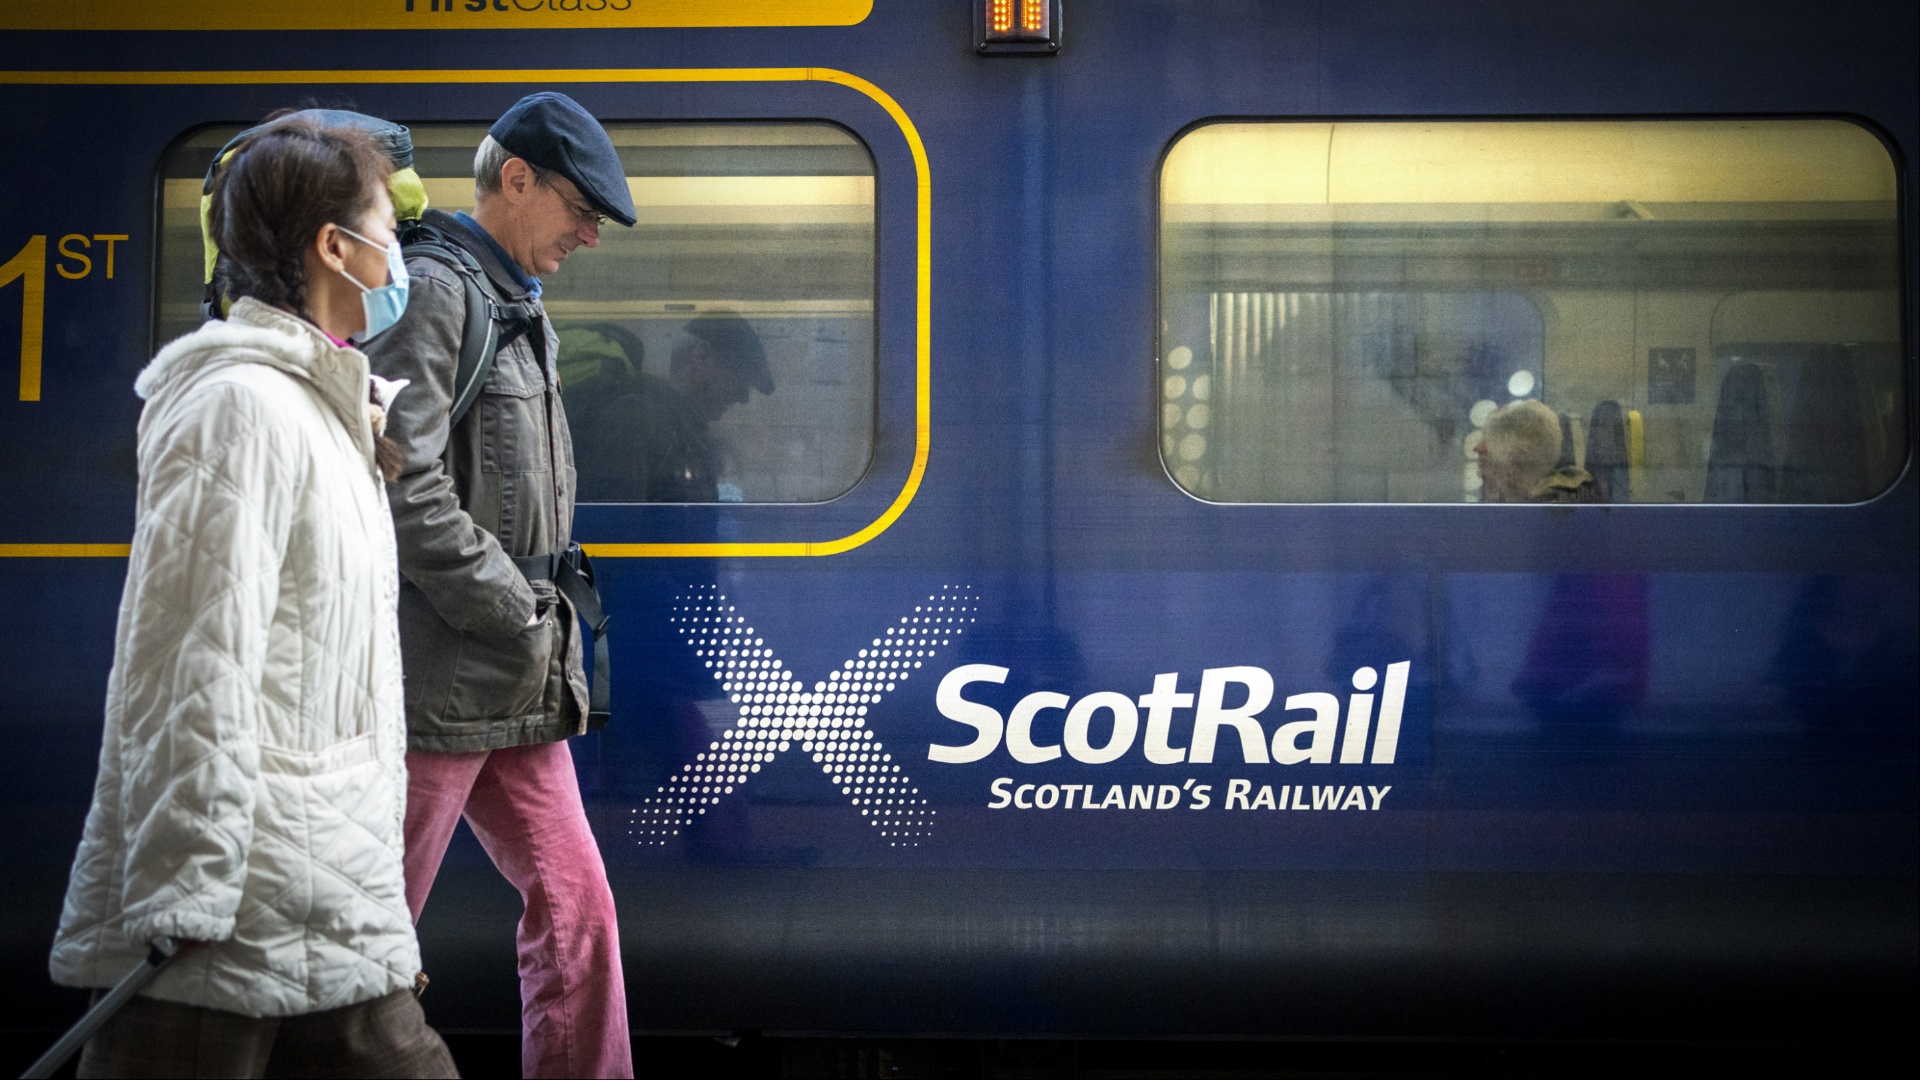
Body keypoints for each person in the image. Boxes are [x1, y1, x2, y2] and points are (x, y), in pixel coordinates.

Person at [48, 113, 455, 1078]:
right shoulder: (240, 406)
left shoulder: (322, 410)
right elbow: (189, 659)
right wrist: (181, 893)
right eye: (388, 233)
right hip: (235, 904)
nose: (401, 258)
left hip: (324, 882)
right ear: (333, 248)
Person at [360, 92, 636, 1079]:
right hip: (442, 679)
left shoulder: (512, 295)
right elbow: (401, 483)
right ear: (514, 179)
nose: (590, 236)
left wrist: (527, 626)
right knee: (365, 939)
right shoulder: (442, 291)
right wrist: (509, 604)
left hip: (515, 681)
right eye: (581, 209)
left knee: (577, 913)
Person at [572, 313, 771, 503]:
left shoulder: (681, 429)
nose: (743, 397)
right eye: (739, 375)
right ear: (701, 358)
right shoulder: (635, 419)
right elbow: (615, 529)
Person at [1476, 399, 1600, 504]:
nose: (1478, 448)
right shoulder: (1581, 500)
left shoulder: (1539, 516)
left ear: (1514, 459)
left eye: (1492, 443)